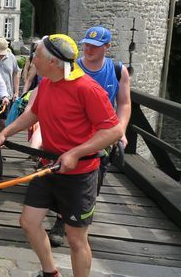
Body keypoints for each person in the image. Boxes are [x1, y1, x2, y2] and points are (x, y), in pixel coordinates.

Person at [0, 34, 122, 277]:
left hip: (80, 174)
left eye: (36, 56)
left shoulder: (86, 88)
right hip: (49, 167)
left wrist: (76, 152)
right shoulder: (49, 82)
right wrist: (5, 131)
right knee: (29, 222)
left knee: (76, 239)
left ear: (53, 61)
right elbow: (34, 114)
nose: (32, 61)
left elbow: (114, 130)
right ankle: (51, 275)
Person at [47, 25, 131, 247]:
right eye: (86, 44)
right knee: (63, 176)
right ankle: (60, 221)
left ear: (107, 47)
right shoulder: (72, 68)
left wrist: (121, 130)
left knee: (94, 180)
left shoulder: (117, 70)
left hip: (101, 137)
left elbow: (124, 103)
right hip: (72, 133)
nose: (89, 49)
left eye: (95, 46)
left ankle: (78, 222)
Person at [0, 37, 20, 129]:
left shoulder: (11, 57)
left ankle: (0, 140)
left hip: (7, 95)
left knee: (3, 121)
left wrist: (16, 91)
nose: (0, 55)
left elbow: (16, 73)